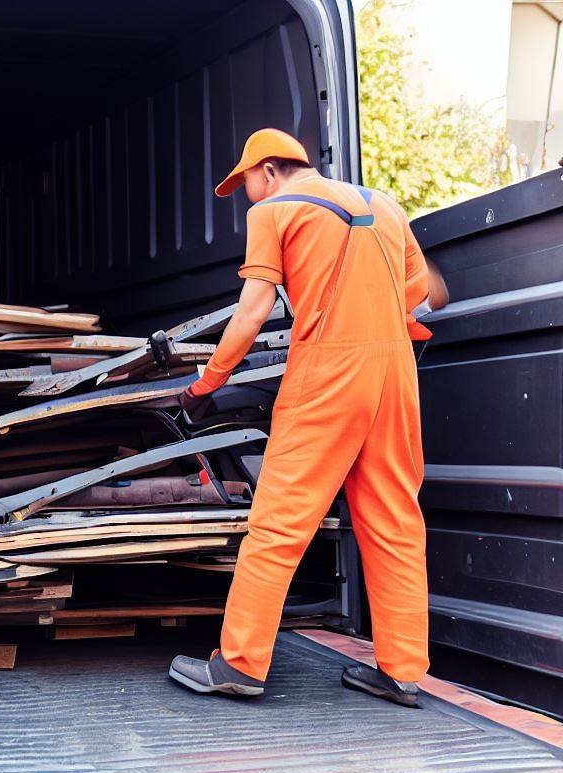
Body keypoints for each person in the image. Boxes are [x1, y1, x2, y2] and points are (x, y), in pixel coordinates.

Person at [168, 128, 446, 707]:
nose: (246, 196)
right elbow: (423, 297)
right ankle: (402, 671)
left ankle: (240, 664)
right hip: (395, 374)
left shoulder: (274, 210)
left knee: (279, 522)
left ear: (267, 171)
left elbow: (251, 314)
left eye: (243, 183)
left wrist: (204, 385)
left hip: (328, 373)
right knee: (396, 518)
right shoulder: (385, 205)